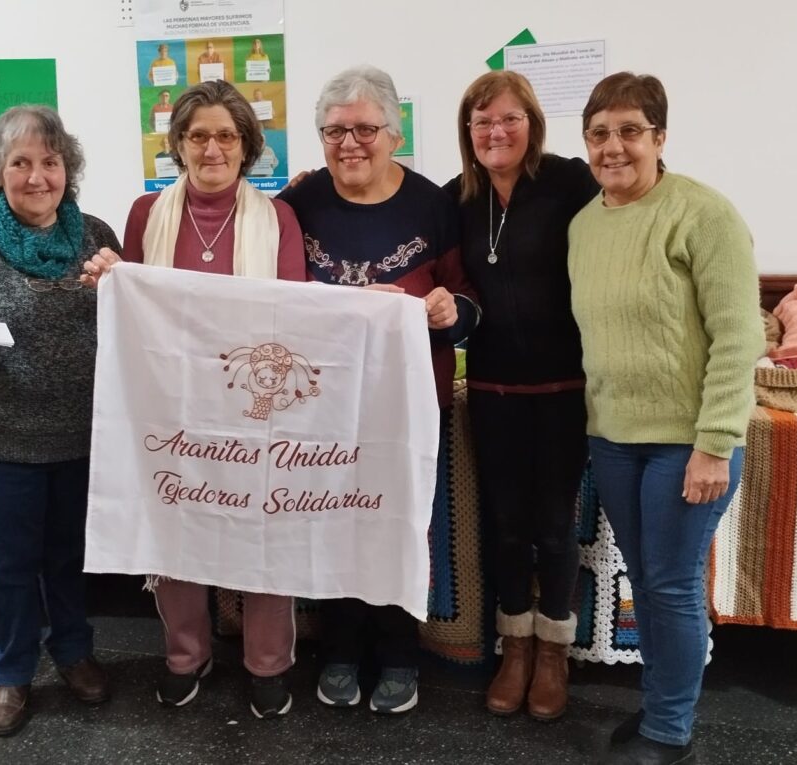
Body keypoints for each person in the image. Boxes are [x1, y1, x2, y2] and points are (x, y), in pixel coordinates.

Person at [82, 79, 304, 719]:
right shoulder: (146, 215)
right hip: (170, 405)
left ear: (247, 145)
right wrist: (108, 279)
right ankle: (186, 656)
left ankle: (268, 663)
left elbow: (291, 318)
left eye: (226, 135)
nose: (213, 147)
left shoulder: (279, 219)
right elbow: (134, 311)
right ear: (178, 144)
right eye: (198, 134)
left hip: (253, 409)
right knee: (173, 526)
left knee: (262, 531)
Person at [568, 72, 762, 764]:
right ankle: (659, 706)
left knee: (672, 582)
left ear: (659, 137)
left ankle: (669, 730)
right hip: (615, 439)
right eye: (599, 133)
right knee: (646, 580)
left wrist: (716, 443)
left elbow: (740, 337)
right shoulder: (585, 224)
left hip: (687, 442)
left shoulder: (702, 215)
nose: (612, 146)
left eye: (629, 131)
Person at [277, 64, 479, 715]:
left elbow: (470, 297)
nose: (350, 142)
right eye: (334, 130)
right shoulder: (297, 206)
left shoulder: (434, 205)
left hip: (408, 401)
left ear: (394, 133)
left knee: (399, 526)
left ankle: (398, 653)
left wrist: (451, 310)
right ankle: (339, 649)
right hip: (322, 403)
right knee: (330, 525)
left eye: (365, 128)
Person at [0, 105, 121, 736]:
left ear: (69, 169)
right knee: (7, 565)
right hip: (1, 436)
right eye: (21, 163)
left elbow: (129, 331)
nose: (38, 177)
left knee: (67, 556)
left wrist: (119, 287)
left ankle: (72, 651)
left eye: (51, 162)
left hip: (82, 433)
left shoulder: (94, 234)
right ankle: (9, 673)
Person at [442, 70, 599, 722]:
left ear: (531, 122)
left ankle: (554, 648)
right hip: (493, 387)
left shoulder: (568, 181)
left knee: (553, 527)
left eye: (508, 118)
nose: (495, 131)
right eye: (482, 122)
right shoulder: (456, 197)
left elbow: (630, 199)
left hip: (563, 387)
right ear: (467, 133)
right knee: (506, 524)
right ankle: (515, 645)